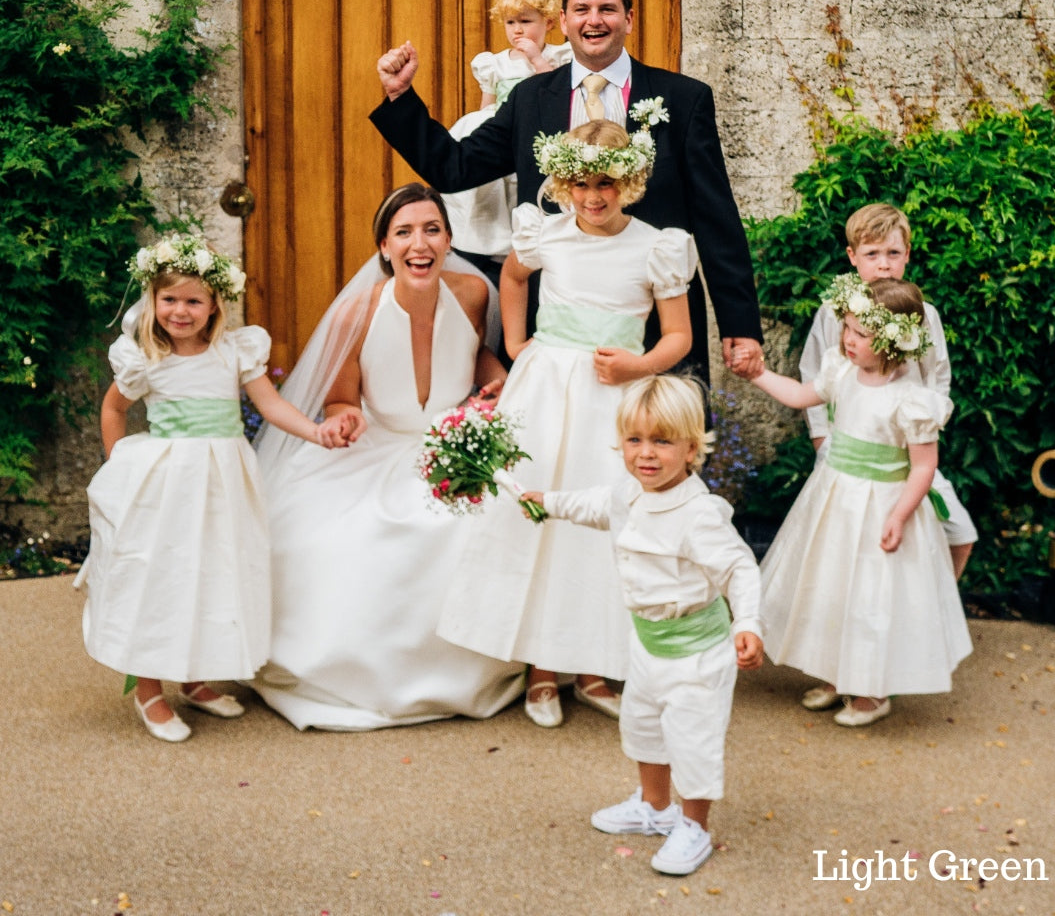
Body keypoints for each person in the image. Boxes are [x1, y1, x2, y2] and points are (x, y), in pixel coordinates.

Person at [370, 0, 764, 383]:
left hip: (654, 324)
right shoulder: (530, 99)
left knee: (658, 447)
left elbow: (715, 216)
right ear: (563, 21)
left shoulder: (683, 99)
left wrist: (739, 325)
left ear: (629, 19)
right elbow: (454, 168)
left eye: (607, 9)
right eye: (581, 9)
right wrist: (401, 97)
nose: (594, 20)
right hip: (558, 323)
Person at [436, 120, 696, 727]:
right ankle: (540, 671)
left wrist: (642, 362)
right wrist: (521, 340)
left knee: (604, 521)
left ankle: (593, 666)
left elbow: (679, 334)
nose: (593, 196)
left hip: (616, 402)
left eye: (606, 182)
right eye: (579, 183)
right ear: (561, 182)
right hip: (548, 392)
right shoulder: (545, 234)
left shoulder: (655, 245)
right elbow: (513, 276)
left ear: (629, 181)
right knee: (541, 512)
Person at [250, 183, 525, 730]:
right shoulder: (357, 311)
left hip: (453, 439)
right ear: (383, 246)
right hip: (378, 449)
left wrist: (498, 386)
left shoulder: (473, 293)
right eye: (404, 232)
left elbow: (480, 356)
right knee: (355, 535)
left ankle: (488, 666)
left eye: (431, 230)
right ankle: (354, 674)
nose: (418, 243)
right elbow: (340, 396)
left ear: (449, 239)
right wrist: (345, 416)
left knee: (498, 517)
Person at [78, 231, 356, 742]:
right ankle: (148, 689)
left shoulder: (234, 351)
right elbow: (114, 409)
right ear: (153, 300)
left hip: (223, 481)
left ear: (214, 305)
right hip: (165, 484)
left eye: (192, 301)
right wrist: (119, 468)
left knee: (210, 572)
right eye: (169, 299)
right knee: (162, 576)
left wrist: (316, 431)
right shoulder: (146, 357)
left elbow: (270, 406)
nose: (179, 311)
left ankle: (194, 678)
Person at [519, 374, 763, 877]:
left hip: (697, 654)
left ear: (692, 448)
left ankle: (693, 827)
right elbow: (590, 504)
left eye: (662, 442)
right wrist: (545, 499)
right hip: (648, 647)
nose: (645, 454)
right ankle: (654, 810)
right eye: (635, 440)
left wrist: (751, 622)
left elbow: (739, 567)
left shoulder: (698, 515)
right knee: (643, 728)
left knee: (693, 742)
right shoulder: (628, 492)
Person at [745, 275, 972, 726]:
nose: (848, 339)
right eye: (846, 327)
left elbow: (924, 467)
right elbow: (800, 395)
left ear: (892, 341)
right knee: (832, 589)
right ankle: (837, 674)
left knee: (871, 596)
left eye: (860, 333)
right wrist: (759, 374)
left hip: (882, 505)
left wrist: (900, 514)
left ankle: (870, 692)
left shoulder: (912, 400)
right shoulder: (840, 370)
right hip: (835, 501)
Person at [799, 202, 977, 578]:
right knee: (848, 547)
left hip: (908, 454)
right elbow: (814, 373)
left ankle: (935, 605)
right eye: (872, 254)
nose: (884, 264)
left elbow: (937, 375)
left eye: (893, 253)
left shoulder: (924, 315)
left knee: (959, 532)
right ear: (853, 257)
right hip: (849, 450)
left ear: (907, 255)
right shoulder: (836, 312)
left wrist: (924, 428)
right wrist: (821, 440)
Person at [442, 0, 571, 283]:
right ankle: (484, 240)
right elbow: (487, 105)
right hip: (500, 129)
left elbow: (556, 93)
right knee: (487, 188)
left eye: (526, 21)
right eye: (511, 22)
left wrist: (536, 59)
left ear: (548, 23)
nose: (518, 30)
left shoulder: (556, 57)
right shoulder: (494, 62)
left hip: (534, 134)